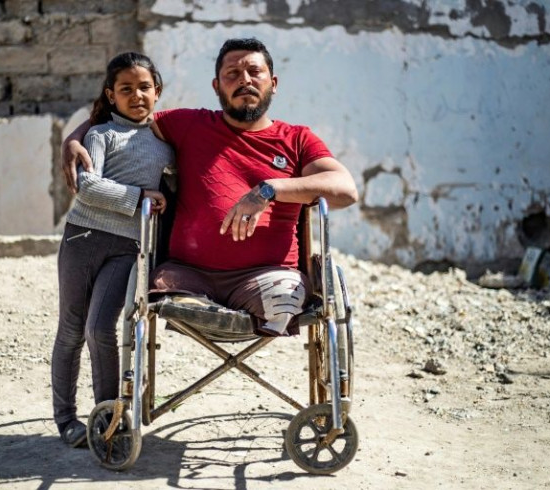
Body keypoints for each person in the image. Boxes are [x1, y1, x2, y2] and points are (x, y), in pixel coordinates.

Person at [62, 37, 357, 339]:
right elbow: (127, 116)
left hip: (268, 276)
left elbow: (345, 189)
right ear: (217, 86)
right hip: (187, 277)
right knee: (166, 294)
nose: (244, 80)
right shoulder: (189, 124)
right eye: (232, 74)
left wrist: (268, 189)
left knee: (284, 299)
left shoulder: (297, 138)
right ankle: (209, 313)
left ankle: (258, 315)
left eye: (254, 72)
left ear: (273, 82)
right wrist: (74, 138)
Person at [52, 52, 174, 448]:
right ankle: (66, 419)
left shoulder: (166, 143)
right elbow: (88, 186)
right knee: (72, 330)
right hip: (83, 238)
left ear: (157, 92)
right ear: (111, 94)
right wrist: (142, 196)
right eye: (126, 89)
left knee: (101, 328)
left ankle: (108, 416)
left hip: (129, 247)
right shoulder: (100, 134)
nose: (136, 95)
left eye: (144, 87)